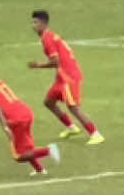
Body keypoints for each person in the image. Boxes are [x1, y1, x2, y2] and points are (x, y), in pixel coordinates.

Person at [28, 10, 103, 144]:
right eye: (32, 22)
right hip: (62, 77)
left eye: (36, 22)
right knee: (49, 102)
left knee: (73, 107)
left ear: (44, 23)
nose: (33, 25)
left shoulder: (47, 39)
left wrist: (38, 65)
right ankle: (71, 127)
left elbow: (55, 61)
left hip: (69, 77)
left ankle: (95, 134)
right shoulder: (49, 35)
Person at [0, 64, 59, 176]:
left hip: (16, 119)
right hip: (26, 112)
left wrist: (5, 127)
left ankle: (49, 150)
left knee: (18, 156)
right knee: (26, 148)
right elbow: (1, 106)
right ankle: (39, 170)